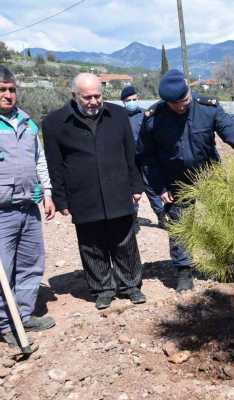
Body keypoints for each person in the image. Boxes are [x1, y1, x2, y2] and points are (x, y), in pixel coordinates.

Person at [139, 69, 234, 292]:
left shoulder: (207, 108)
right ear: (166, 101)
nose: (181, 106)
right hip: (176, 181)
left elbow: (231, 131)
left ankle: (225, 264)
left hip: (211, 176)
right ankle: (184, 271)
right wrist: (160, 187)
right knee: (180, 226)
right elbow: (146, 157)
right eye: (175, 103)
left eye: (184, 100)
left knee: (222, 221)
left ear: (189, 91)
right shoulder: (154, 119)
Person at [43, 73, 145, 310]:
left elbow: (130, 153)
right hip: (82, 193)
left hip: (117, 187)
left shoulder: (118, 115)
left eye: (97, 96)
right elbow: (54, 165)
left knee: (125, 239)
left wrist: (136, 185)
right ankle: (102, 288)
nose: (93, 101)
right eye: (87, 97)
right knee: (91, 243)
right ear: (74, 96)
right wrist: (60, 198)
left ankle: (130, 285)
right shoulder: (55, 123)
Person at [0, 66, 56, 346]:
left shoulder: (27, 122)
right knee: (3, 269)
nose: (8, 95)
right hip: (2, 212)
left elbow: (39, 160)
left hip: (28, 206)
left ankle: (23, 314)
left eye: (11, 89)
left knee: (31, 263)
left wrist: (46, 192)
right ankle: (4, 322)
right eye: (2, 90)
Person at [120, 85, 166, 229]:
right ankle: (132, 220)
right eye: (129, 100)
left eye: (134, 99)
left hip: (146, 158)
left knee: (152, 189)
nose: (132, 102)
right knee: (132, 191)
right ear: (123, 101)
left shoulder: (145, 115)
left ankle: (162, 217)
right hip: (128, 161)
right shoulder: (119, 117)